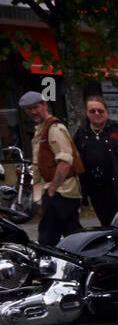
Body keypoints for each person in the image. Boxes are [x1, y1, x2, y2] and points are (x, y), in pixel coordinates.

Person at [19, 90, 83, 246]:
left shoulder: (54, 129)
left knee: (48, 237)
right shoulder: (42, 129)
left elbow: (65, 162)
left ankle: (46, 267)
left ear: (44, 105)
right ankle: (83, 264)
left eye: (36, 107)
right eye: (29, 109)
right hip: (58, 192)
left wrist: (52, 190)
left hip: (61, 191)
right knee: (72, 234)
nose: (33, 112)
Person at [74, 94, 118, 226]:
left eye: (100, 110)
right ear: (87, 113)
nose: (97, 113)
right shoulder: (81, 134)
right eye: (92, 111)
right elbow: (76, 162)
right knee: (107, 227)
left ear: (106, 112)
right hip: (98, 193)